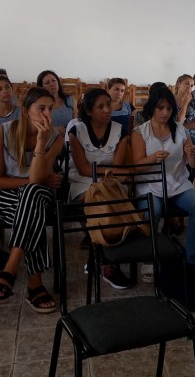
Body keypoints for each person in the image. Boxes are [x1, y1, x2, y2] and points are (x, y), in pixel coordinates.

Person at [0, 87, 63, 313]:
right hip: (3, 197)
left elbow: (37, 180)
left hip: (36, 196)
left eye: (50, 109)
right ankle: (35, 285)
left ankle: (10, 267)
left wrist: (41, 140)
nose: (47, 114)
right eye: (41, 108)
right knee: (32, 206)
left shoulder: (55, 138)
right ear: (26, 110)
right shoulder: (1, 133)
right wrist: (35, 182)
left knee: (32, 195)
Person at [131, 86, 195, 289]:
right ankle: (149, 260)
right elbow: (136, 166)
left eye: (168, 108)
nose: (165, 112)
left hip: (177, 183)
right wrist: (152, 158)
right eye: (160, 108)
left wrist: (193, 155)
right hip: (150, 185)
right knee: (152, 210)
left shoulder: (181, 130)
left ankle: (194, 264)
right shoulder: (140, 132)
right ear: (152, 108)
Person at [66, 88, 131, 288]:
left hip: (110, 185)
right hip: (82, 184)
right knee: (103, 206)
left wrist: (110, 173)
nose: (107, 110)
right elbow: (84, 170)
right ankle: (110, 266)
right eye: (100, 106)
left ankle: (96, 258)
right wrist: (111, 172)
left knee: (113, 206)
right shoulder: (76, 131)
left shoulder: (121, 130)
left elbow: (118, 168)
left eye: (108, 105)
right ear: (89, 111)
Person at [174, 74, 195, 144]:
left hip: (193, 136)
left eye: (192, 86)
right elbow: (178, 122)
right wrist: (185, 104)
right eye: (187, 83)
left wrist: (183, 127)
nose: (189, 87)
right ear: (178, 84)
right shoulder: (170, 103)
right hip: (177, 135)